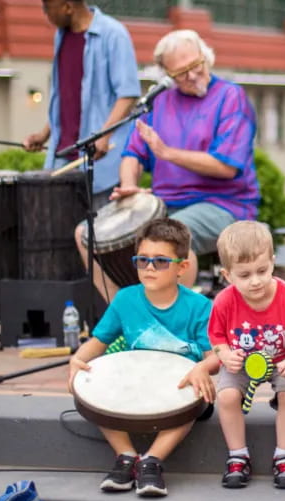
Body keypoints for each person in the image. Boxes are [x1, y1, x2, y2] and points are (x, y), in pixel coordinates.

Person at [79, 28, 259, 299]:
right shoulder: (157, 102)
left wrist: (167, 153)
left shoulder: (231, 97)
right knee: (86, 233)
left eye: (196, 65)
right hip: (165, 204)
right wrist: (129, 186)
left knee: (172, 236)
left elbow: (226, 167)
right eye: (180, 73)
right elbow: (133, 153)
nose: (192, 75)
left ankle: (172, 318)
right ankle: (121, 309)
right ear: (166, 75)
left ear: (206, 57)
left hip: (224, 203)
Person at [68, 218, 217, 498]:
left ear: (182, 267)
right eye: (142, 260)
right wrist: (77, 360)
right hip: (137, 385)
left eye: (160, 261)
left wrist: (203, 367)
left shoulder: (199, 306)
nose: (149, 267)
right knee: (91, 385)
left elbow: (214, 357)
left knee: (197, 391)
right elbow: (98, 342)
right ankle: (126, 455)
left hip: (181, 390)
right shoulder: (126, 299)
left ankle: (152, 461)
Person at [208, 221, 285, 490]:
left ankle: (284, 456)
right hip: (242, 362)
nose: (255, 281)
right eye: (244, 275)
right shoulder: (224, 301)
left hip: (284, 361)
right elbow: (217, 338)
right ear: (227, 275)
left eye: (262, 270)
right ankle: (238, 456)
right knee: (227, 396)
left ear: (273, 261)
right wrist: (225, 354)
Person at [23, 0, 139, 199]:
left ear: (68, 7)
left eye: (47, 6)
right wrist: (44, 134)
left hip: (100, 161)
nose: (44, 13)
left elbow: (128, 95)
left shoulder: (114, 34)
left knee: (98, 224)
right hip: (63, 158)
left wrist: (103, 137)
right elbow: (66, 96)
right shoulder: (61, 36)